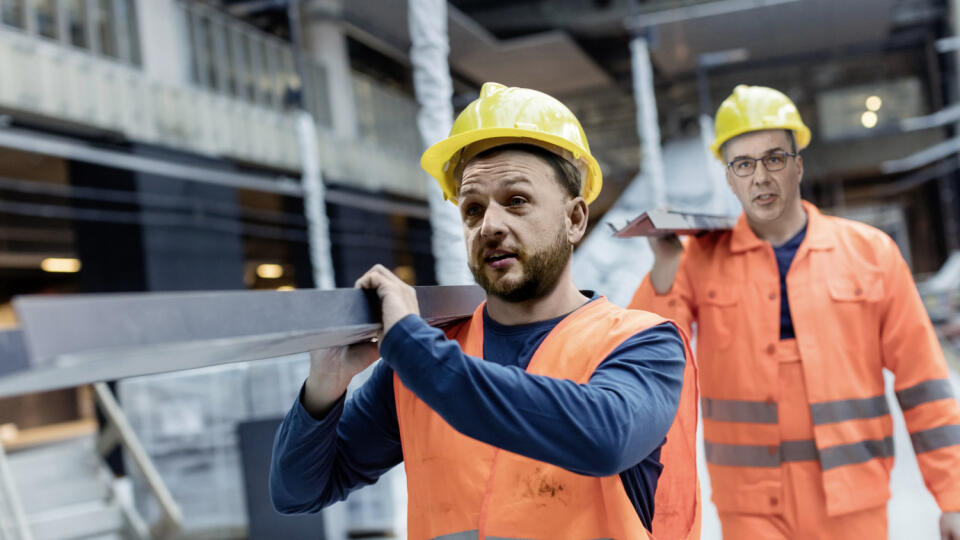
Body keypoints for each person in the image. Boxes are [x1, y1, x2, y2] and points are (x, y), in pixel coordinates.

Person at [270, 82, 700, 539]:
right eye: (473, 210)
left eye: (516, 200)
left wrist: (412, 347)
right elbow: (298, 492)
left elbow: (605, 438)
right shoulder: (428, 358)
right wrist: (325, 384)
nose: (490, 225)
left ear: (574, 219)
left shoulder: (643, 343)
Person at [630, 84, 960, 539]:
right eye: (743, 164)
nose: (760, 176)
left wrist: (955, 497)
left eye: (774, 158)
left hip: (854, 501)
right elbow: (644, 354)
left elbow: (924, 383)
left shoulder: (871, 254)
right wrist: (665, 268)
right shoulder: (699, 260)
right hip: (750, 506)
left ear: (798, 165)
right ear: (728, 177)